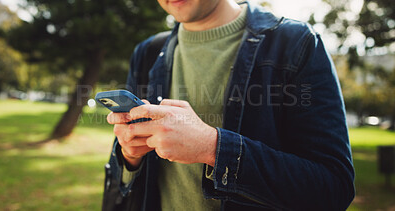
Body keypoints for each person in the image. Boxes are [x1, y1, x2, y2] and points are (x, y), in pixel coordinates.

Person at [103, 0, 355, 210]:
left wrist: (212, 147)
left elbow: (334, 188)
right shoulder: (147, 52)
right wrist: (129, 155)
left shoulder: (296, 44)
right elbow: (124, 180)